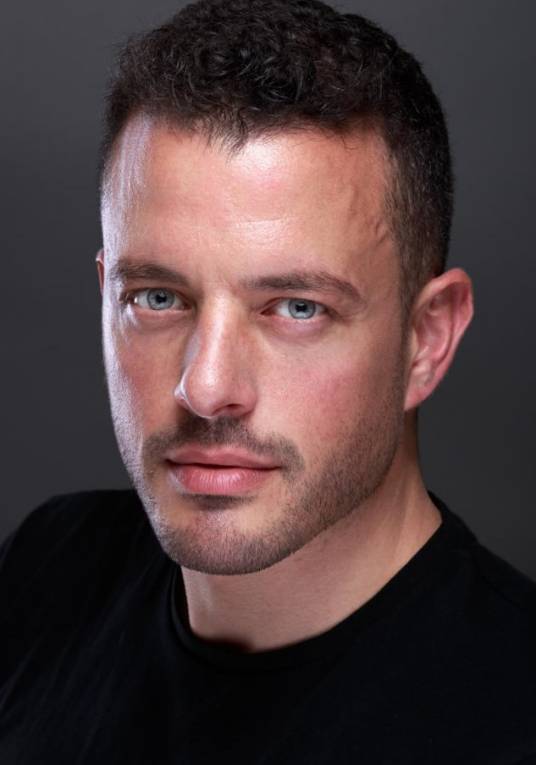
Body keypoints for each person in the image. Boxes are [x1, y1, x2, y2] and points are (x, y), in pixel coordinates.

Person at [1, 0, 535, 762]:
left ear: (427, 339)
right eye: (157, 298)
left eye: (296, 308)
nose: (206, 387)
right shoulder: (46, 573)